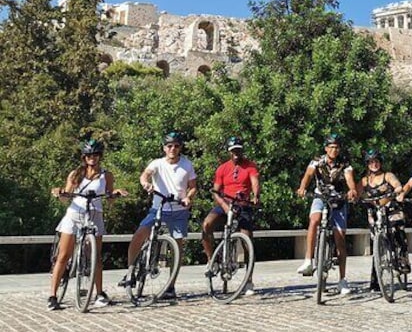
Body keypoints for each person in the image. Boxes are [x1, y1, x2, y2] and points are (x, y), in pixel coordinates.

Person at [48, 139, 127, 311]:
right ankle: (53, 296)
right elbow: (66, 196)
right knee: (64, 256)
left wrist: (116, 194)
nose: (93, 158)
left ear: (100, 156)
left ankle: (99, 293)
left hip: (94, 214)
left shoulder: (107, 175)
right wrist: (59, 193)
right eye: (89, 155)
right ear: (84, 157)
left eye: (96, 155)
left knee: (96, 257)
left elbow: (109, 196)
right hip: (75, 215)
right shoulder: (76, 174)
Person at [119, 131, 197, 300]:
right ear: (164, 148)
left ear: (180, 148)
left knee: (177, 247)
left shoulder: (187, 164)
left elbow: (192, 186)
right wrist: (145, 183)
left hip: (178, 210)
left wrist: (188, 197)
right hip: (158, 207)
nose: (173, 149)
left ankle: (171, 286)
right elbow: (146, 174)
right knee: (139, 236)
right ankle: (131, 271)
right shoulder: (157, 163)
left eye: (176, 146)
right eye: (169, 146)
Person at [295, 133, 358, 296]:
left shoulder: (345, 164)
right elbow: (308, 175)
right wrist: (303, 188)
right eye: (331, 147)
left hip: (338, 199)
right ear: (326, 148)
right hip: (320, 196)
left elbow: (349, 178)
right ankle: (308, 260)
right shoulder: (317, 160)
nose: (334, 150)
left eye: (336, 147)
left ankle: (342, 279)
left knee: (340, 239)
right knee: (314, 220)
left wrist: (352, 190)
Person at [202, 136, 261, 296]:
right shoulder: (222, 168)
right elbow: (216, 191)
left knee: (247, 238)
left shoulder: (250, 166)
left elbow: (254, 182)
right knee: (207, 224)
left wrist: (255, 196)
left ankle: (248, 280)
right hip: (225, 203)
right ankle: (211, 261)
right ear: (229, 152)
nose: (236, 154)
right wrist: (225, 207)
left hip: (243, 204)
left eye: (239, 150)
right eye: (233, 151)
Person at [356, 149, 409, 292]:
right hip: (374, 212)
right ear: (367, 164)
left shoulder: (388, 175)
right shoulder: (364, 180)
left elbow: (398, 186)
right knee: (376, 244)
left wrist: (398, 192)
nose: (374, 164)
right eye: (371, 162)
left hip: (391, 209)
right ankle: (375, 281)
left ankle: (402, 259)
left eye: (377, 161)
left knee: (398, 230)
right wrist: (353, 198)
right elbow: (356, 193)